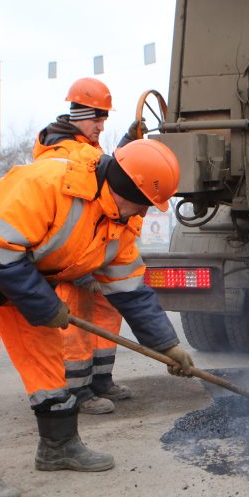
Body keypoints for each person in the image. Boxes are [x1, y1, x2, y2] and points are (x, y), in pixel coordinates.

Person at [0, 137, 195, 497]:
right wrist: (44, 304)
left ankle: (57, 446)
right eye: (145, 204)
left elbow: (131, 292)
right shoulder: (48, 184)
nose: (145, 213)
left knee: (45, 360)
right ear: (126, 188)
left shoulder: (118, 224)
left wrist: (166, 346)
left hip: (22, 278)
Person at [33, 77, 149, 414]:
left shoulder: (85, 147)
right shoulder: (65, 152)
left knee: (105, 315)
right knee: (75, 326)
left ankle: (100, 381)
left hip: (97, 253)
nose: (101, 126)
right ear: (80, 115)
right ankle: (77, 393)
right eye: (97, 120)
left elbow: (111, 173)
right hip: (75, 259)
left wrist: (128, 143)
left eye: (104, 120)